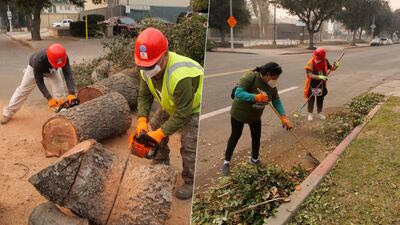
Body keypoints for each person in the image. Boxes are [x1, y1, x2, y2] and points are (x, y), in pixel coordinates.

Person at [128, 28, 203, 200]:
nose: (147, 69)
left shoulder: (180, 75)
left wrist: (160, 133)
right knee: (151, 131)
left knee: (189, 145)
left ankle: (190, 181)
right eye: (144, 66)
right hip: (170, 105)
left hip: (193, 108)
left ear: (165, 55)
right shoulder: (145, 69)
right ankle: (161, 165)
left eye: (152, 65)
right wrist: (141, 121)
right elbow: (144, 96)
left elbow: (183, 112)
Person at [222, 62, 292, 176]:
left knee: (256, 137)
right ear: (268, 74)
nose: (276, 80)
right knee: (235, 136)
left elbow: (276, 100)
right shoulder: (251, 76)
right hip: (239, 113)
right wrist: (256, 97)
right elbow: (238, 93)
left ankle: (254, 159)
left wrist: (283, 116)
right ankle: (226, 162)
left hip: (255, 116)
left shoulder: (272, 85)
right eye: (275, 78)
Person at [1, 43, 78, 124]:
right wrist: (49, 98)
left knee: (60, 90)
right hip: (34, 69)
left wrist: (71, 93)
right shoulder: (39, 60)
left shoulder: (63, 57)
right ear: (49, 59)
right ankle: (8, 112)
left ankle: (61, 115)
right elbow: (39, 82)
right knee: (23, 90)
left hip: (52, 71)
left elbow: (67, 73)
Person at [304, 47, 339, 121]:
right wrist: (320, 76)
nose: (317, 59)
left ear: (323, 57)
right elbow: (310, 75)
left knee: (320, 99)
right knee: (311, 99)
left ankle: (319, 113)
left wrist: (336, 66)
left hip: (321, 84)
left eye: (319, 58)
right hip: (312, 84)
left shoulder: (325, 61)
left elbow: (331, 68)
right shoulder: (310, 62)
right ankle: (310, 114)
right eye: (317, 57)